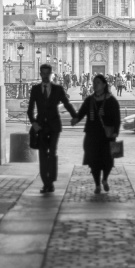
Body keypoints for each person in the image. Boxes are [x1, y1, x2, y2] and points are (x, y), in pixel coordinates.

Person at [27, 63, 77, 194]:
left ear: (50, 74)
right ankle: (46, 183)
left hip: (54, 126)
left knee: (52, 153)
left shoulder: (58, 89)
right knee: (43, 155)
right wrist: (34, 123)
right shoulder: (36, 89)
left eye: (46, 74)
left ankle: (51, 179)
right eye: (42, 73)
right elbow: (30, 109)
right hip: (41, 127)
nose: (44, 76)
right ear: (40, 74)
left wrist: (75, 116)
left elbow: (66, 103)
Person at [71, 74, 121, 194]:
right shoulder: (89, 99)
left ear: (104, 85)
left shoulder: (111, 100)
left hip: (108, 136)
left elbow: (117, 118)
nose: (95, 85)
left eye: (97, 82)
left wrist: (115, 132)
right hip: (92, 135)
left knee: (108, 160)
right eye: (94, 82)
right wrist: (76, 119)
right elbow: (82, 112)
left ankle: (104, 179)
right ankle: (97, 184)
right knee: (93, 161)